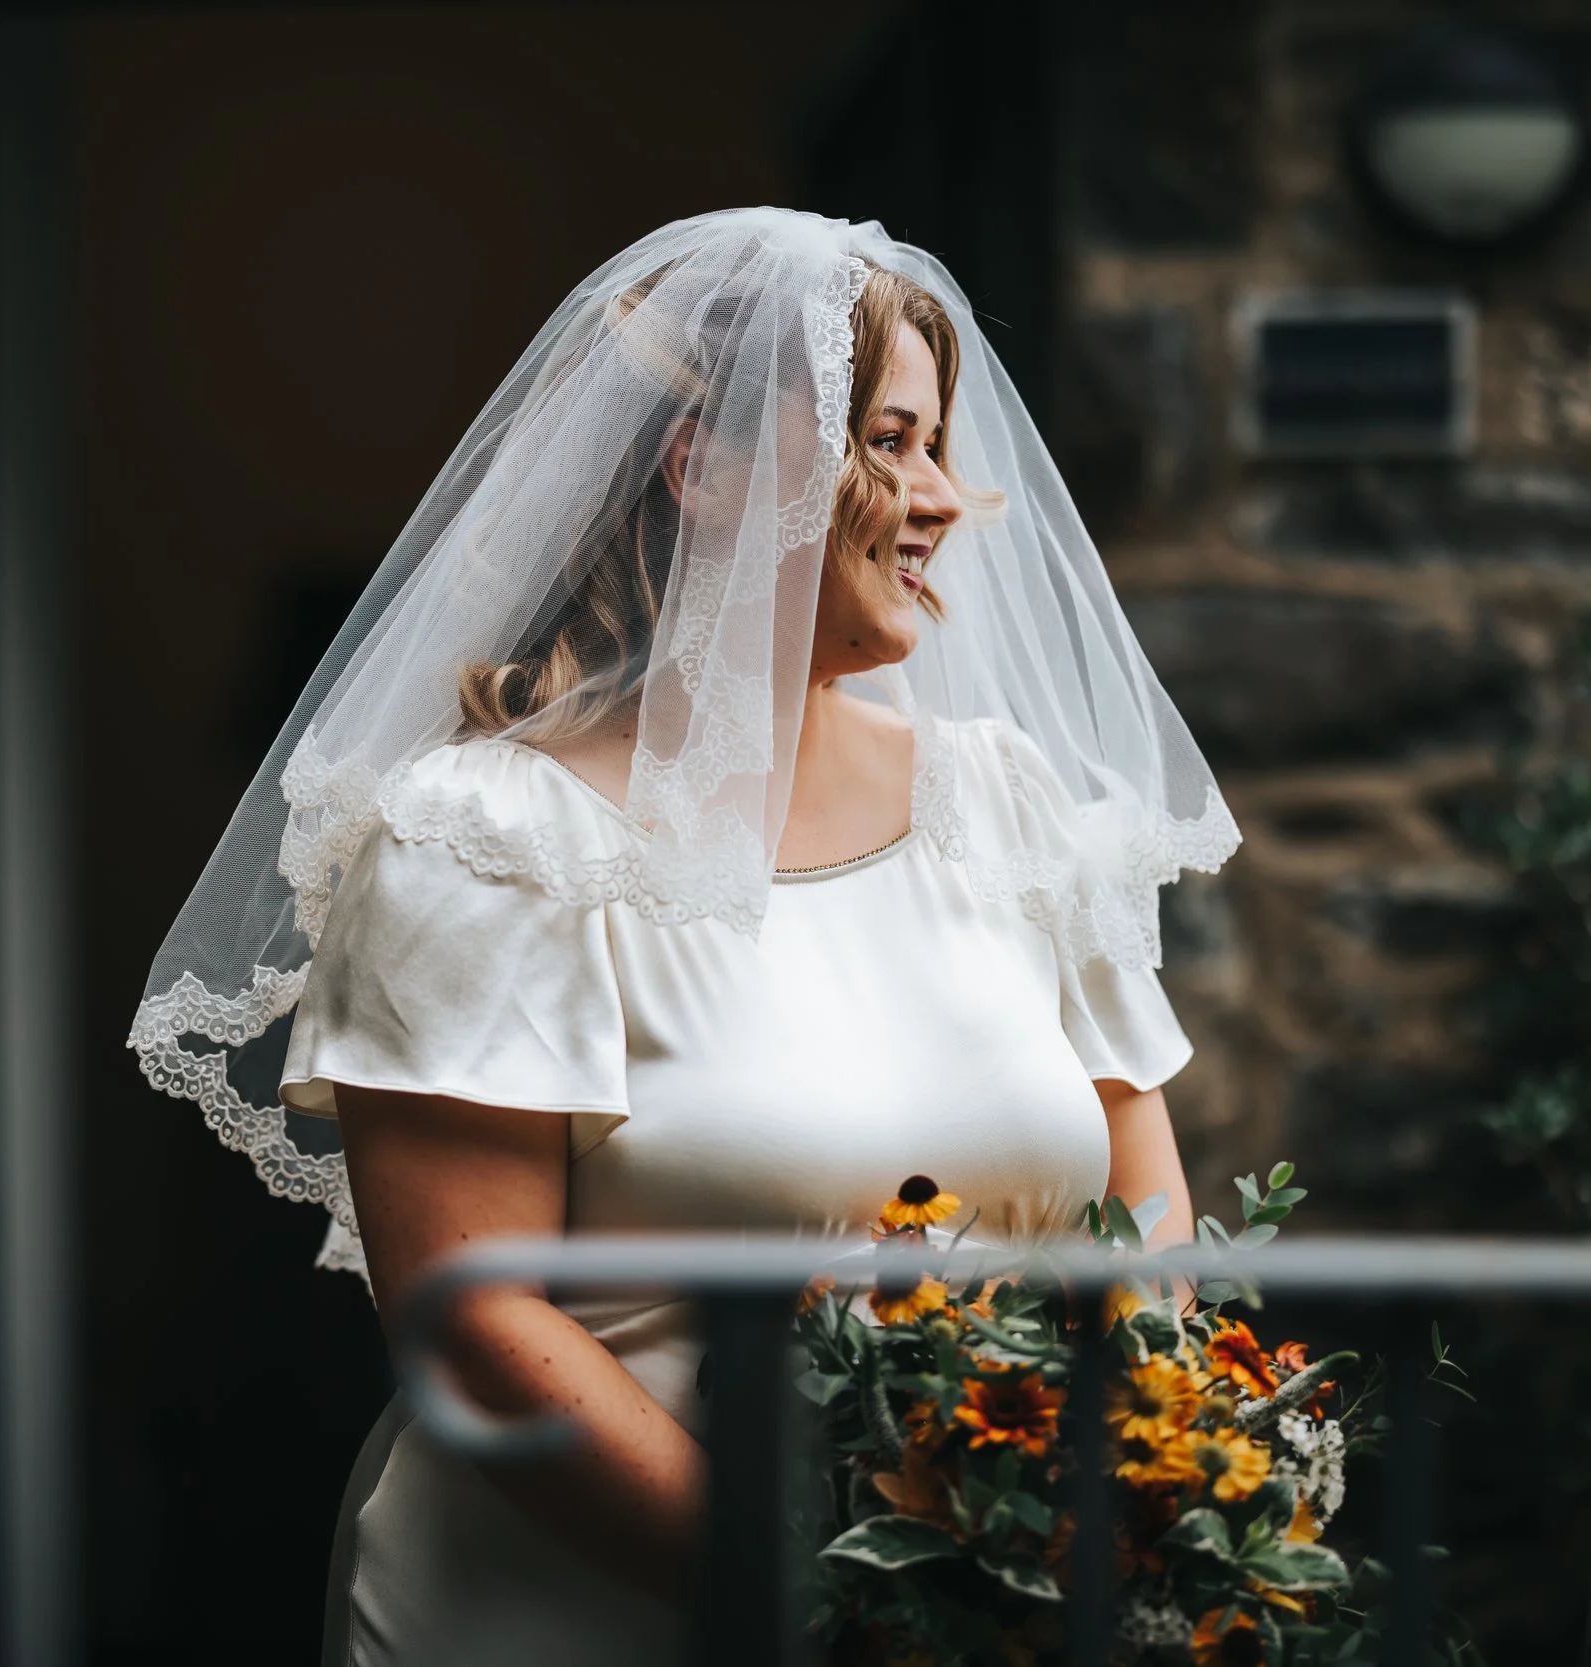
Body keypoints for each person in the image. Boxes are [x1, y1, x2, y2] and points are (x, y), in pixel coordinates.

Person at [129, 208, 1240, 1666]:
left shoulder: (1010, 805)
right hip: (584, 1610)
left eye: (936, 445)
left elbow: (1146, 1218)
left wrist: (1098, 1519)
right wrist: (831, 1598)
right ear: (702, 468)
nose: (942, 498)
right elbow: (478, 1324)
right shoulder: (486, 841)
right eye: (887, 441)